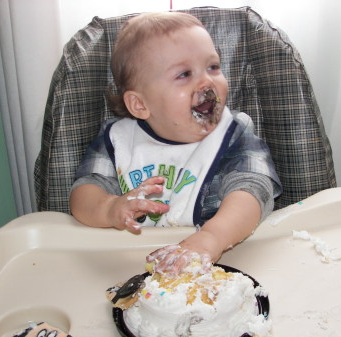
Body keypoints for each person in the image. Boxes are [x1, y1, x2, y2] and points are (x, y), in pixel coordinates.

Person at [69, 11, 282, 276]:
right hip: (127, 267)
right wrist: (111, 208)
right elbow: (83, 195)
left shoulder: (233, 133)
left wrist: (212, 238)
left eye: (213, 67)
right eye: (184, 74)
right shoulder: (119, 141)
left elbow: (253, 191)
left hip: (223, 261)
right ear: (140, 104)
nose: (207, 81)